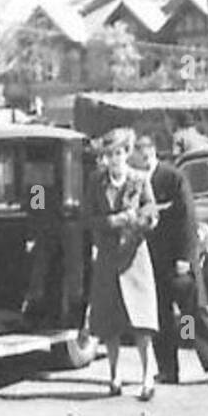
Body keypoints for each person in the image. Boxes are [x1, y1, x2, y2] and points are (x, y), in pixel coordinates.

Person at [131, 130, 208, 387]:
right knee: (160, 316)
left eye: (140, 156)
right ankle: (168, 370)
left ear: (150, 153)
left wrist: (185, 257)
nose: (138, 162)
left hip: (178, 261)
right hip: (152, 261)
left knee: (191, 315)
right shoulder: (137, 182)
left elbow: (187, 219)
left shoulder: (173, 178)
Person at [86, 128, 159, 400]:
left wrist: (142, 220)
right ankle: (114, 376)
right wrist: (115, 220)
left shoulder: (139, 180)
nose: (114, 159)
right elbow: (89, 218)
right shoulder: (96, 182)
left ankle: (147, 377)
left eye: (118, 153)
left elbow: (151, 210)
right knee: (109, 323)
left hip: (134, 259)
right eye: (109, 154)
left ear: (126, 154)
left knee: (142, 323)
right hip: (107, 260)